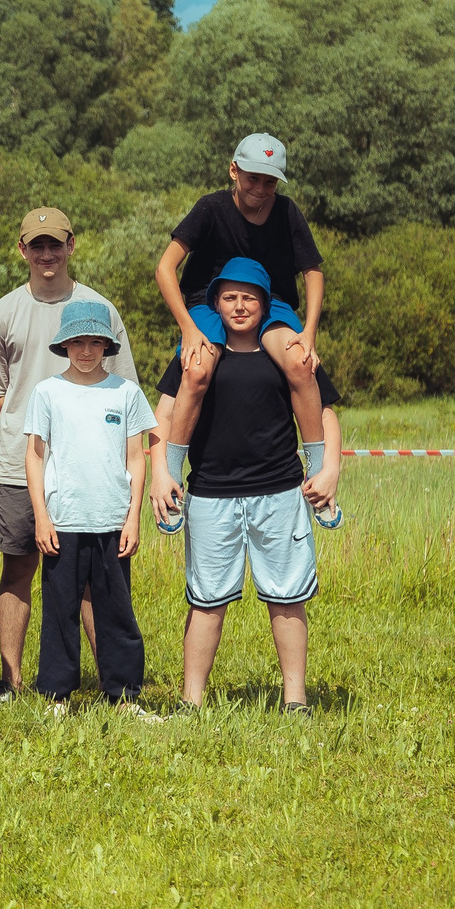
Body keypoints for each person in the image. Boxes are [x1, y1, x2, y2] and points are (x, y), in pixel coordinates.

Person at [155, 258, 339, 713]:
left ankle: (295, 699)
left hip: (280, 492)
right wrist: (162, 470)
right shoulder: (197, 350)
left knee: (287, 598)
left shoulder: (288, 349)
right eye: (230, 297)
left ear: (265, 303)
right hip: (210, 492)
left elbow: (326, 413)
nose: (239, 306)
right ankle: (190, 702)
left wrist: (329, 468)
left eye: (249, 298)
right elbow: (163, 413)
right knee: (207, 602)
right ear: (215, 303)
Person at [0, 206, 136, 698]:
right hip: (24, 465)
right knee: (18, 565)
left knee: (90, 580)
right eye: (36, 245)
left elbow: (122, 389)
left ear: (71, 245)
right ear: (22, 250)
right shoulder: (2, 312)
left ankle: (111, 680)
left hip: (91, 472)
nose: (46, 253)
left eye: (55, 244)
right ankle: (10, 679)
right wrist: (39, 433)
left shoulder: (99, 309)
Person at [156, 133, 325, 468]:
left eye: (269, 182)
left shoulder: (287, 212)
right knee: (198, 370)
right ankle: (173, 469)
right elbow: (165, 268)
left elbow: (313, 272)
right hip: (208, 303)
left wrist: (309, 332)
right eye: (252, 179)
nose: (260, 189)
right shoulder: (210, 207)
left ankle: (317, 467)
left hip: (270, 304)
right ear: (234, 170)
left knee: (299, 364)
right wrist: (188, 328)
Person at [23, 300, 154, 712]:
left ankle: (124, 696)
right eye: (77, 342)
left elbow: (137, 456)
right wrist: (42, 516)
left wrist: (133, 517)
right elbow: (35, 456)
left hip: (112, 517)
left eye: (95, 342)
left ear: (107, 346)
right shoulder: (47, 392)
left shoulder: (126, 392)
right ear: (63, 345)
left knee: (116, 610)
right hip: (63, 518)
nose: (85, 351)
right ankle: (57, 696)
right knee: (60, 610)